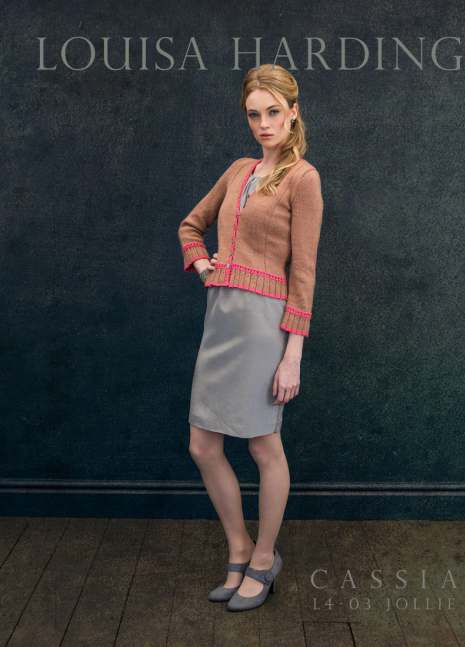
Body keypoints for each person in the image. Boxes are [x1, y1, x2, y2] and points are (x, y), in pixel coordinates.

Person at [177, 63, 324, 612]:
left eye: (273, 112)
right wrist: (203, 264)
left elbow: (303, 271)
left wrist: (293, 355)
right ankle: (238, 547)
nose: (263, 123)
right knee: (202, 445)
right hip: (220, 320)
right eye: (253, 114)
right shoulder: (239, 169)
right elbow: (190, 226)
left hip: (265, 325)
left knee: (263, 445)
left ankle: (263, 558)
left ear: (293, 113)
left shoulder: (303, 178)